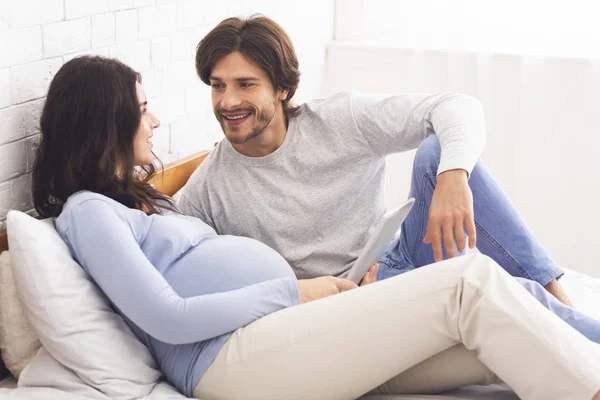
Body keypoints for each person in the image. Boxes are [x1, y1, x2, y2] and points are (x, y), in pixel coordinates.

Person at [32, 56, 600, 400]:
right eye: (142, 107)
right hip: (226, 362)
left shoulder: (143, 202)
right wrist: (294, 291)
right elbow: (165, 316)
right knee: (466, 284)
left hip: (289, 337)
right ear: (105, 120)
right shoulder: (88, 211)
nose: (155, 118)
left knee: (503, 324)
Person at [180, 14, 597, 337]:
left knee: (438, 151)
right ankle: (575, 329)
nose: (228, 101)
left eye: (245, 84)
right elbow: (191, 275)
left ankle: (563, 304)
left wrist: (453, 177)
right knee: (506, 298)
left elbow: (456, 106)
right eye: (218, 86)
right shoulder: (208, 189)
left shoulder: (338, 119)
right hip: (351, 299)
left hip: (398, 253)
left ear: (282, 89)